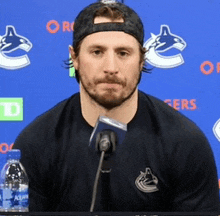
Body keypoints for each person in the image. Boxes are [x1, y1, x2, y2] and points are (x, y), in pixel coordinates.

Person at [13, 0, 219, 212]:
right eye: (97, 52)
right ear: (74, 57)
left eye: (123, 53)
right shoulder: (36, 143)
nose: (110, 68)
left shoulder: (184, 142)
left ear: (142, 60)